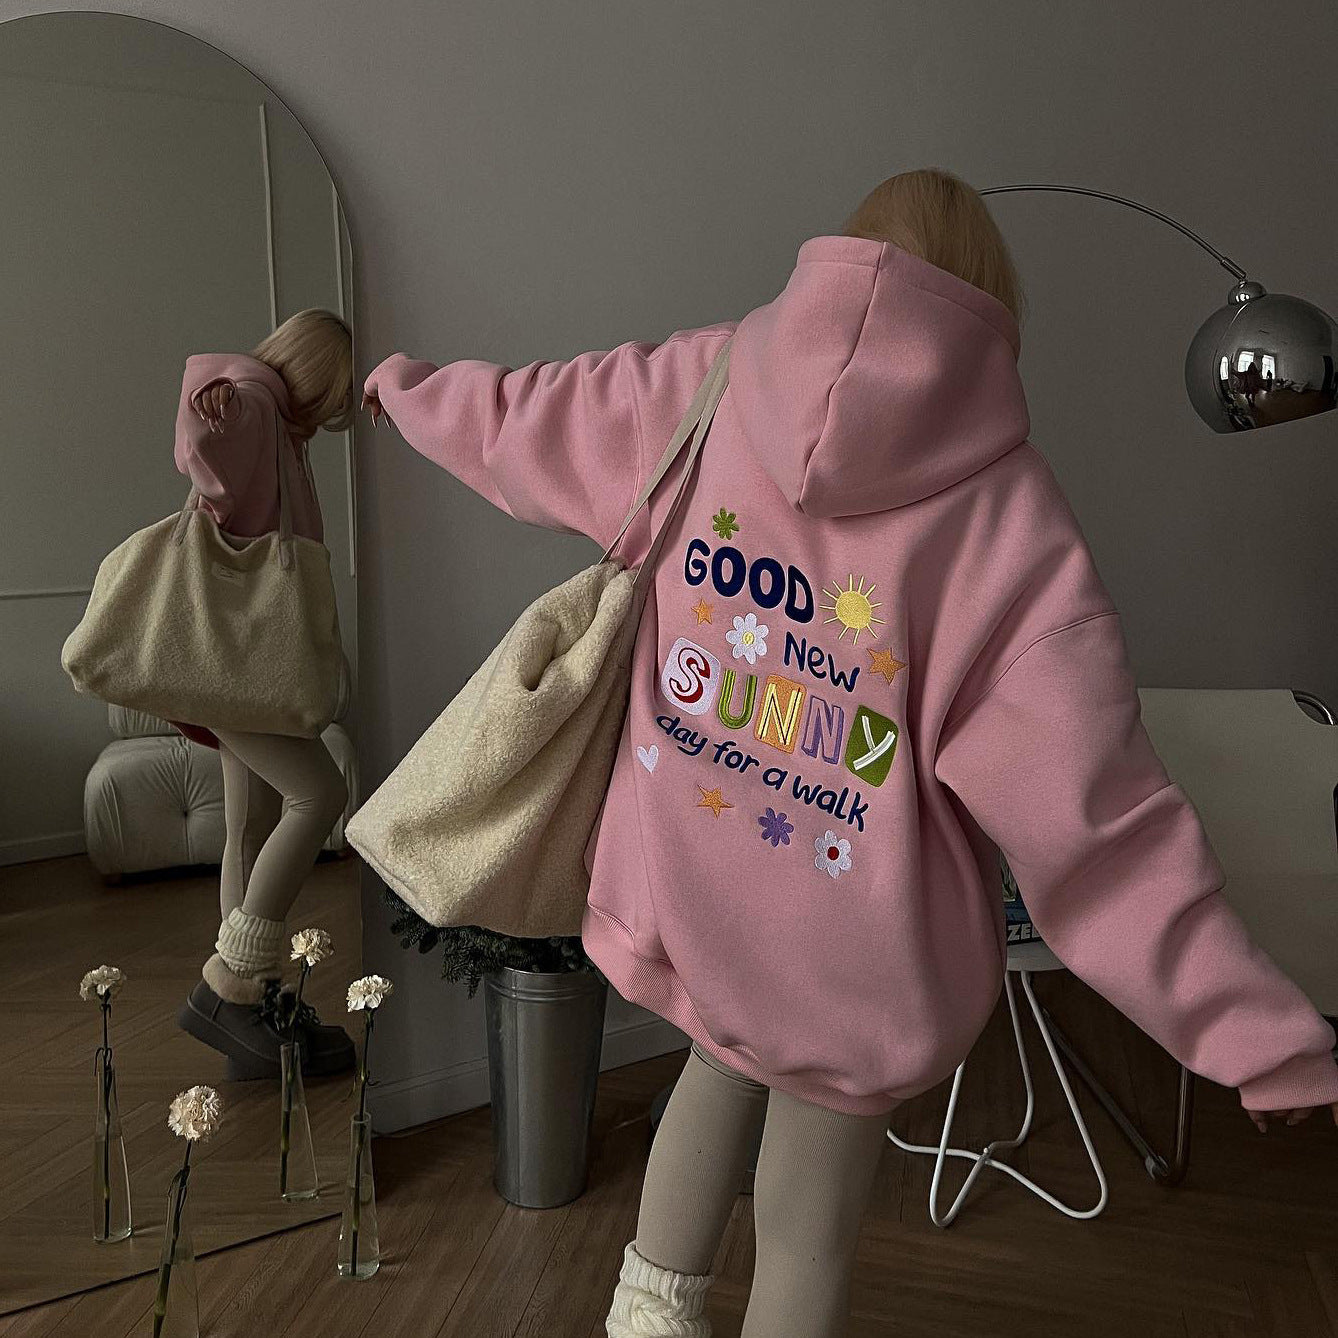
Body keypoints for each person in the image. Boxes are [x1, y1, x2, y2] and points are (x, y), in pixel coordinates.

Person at [361, 170, 1338, 1338]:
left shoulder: (703, 382)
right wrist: (1258, 1039)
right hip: (851, 962)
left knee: (713, 1071)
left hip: (690, 897)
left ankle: (648, 1316)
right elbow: (1101, 834)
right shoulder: (1009, 522)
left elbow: (521, 418)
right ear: (989, 304)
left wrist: (399, 392)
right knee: (807, 1231)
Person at [173, 308, 356, 1080]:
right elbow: (202, 440)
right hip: (236, 664)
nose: (333, 410)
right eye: (335, 392)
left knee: (248, 825)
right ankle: (229, 985)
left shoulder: (273, 421)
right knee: (320, 794)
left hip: (232, 661)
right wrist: (211, 411)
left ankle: (250, 999)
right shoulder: (251, 402)